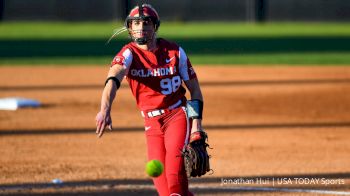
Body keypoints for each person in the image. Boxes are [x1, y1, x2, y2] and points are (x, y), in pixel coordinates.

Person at [95, 4, 207, 196]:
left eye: (146, 23)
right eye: (136, 23)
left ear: (155, 26)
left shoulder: (174, 52)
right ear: (129, 28)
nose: (141, 27)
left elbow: (195, 90)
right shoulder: (129, 53)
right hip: (151, 123)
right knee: (162, 184)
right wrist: (105, 108)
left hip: (177, 115)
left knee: (174, 177)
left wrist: (196, 126)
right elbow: (114, 77)